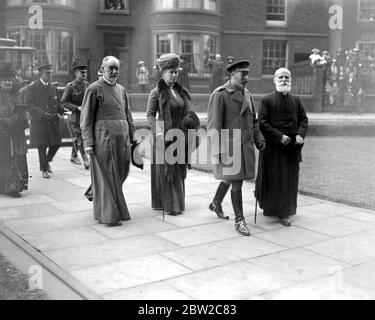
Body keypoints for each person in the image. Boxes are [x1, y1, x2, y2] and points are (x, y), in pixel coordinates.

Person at [207, 60, 265, 236]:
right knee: (237, 182)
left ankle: (216, 203)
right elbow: (213, 126)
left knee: (232, 179)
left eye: (247, 73)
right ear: (232, 74)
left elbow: (254, 120)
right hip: (229, 148)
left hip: (245, 146)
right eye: (243, 74)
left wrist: (259, 138)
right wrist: (217, 151)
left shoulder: (247, 93)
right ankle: (239, 220)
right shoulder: (220, 95)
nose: (246, 77)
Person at [81, 56, 136, 226]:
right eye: (110, 68)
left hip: (122, 140)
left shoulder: (121, 89)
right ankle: (110, 215)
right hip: (103, 139)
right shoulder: (93, 89)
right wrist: (88, 143)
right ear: (102, 69)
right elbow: (86, 118)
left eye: (116, 68)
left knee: (121, 172)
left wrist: (132, 138)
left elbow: (128, 115)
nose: (113, 71)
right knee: (108, 175)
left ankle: (96, 194)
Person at [147, 53, 200, 216]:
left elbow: (187, 111)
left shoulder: (180, 92)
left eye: (176, 71)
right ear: (163, 73)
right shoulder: (156, 92)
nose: (175, 75)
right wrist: (158, 133)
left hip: (179, 136)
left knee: (177, 171)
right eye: (171, 72)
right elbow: (150, 115)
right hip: (164, 136)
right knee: (167, 172)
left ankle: (176, 202)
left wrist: (191, 120)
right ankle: (170, 206)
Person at [255, 68, 308, 227]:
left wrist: (300, 134)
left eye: (287, 77)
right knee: (275, 179)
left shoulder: (296, 100)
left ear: (290, 80)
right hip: (273, 148)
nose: (284, 80)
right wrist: (279, 136)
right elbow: (262, 123)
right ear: (274, 80)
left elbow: (303, 120)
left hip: (292, 147)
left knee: (289, 179)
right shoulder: (266, 100)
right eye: (281, 77)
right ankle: (272, 209)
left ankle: (285, 212)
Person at [24, 64, 65, 179]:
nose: (50, 75)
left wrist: (63, 111)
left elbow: (57, 103)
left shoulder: (53, 87)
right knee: (41, 146)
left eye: (50, 73)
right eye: (47, 73)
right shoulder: (32, 88)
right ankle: (44, 169)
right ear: (40, 74)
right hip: (40, 122)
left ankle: (46, 162)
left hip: (52, 121)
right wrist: (42, 114)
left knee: (56, 144)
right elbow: (29, 105)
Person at [0, 64, 29, 197]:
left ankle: (13, 187)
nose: (7, 83)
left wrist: (18, 120)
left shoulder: (16, 94)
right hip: (2, 133)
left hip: (16, 133)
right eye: (5, 80)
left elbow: (23, 113)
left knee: (16, 158)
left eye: (10, 80)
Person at [61, 64, 90, 169]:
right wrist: (76, 107)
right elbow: (63, 102)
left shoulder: (88, 85)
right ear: (76, 73)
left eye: (85, 72)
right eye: (81, 73)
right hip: (75, 117)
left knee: (80, 137)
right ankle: (85, 159)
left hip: (86, 116)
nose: (84, 74)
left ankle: (73, 156)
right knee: (80, 137)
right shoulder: (70, 87)